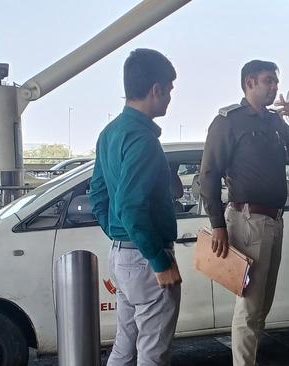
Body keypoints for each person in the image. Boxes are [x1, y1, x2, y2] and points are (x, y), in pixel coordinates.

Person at [199, 60, 289, 366]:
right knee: (249, 307)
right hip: (248, 219)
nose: (274, 86)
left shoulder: (275, 122)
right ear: (249, 82)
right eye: (268, 81)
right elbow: (208, 174)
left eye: (276, 81)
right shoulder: (229, 121)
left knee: (262, 305)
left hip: (274, 220)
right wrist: (218, 225)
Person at [89, 48, 182, 365]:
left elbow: (98, 193)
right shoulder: (143, 140)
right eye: (169, 89)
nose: (170, 97)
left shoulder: (109, 133)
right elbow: (131, 206)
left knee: (124, 347)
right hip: (145, 258)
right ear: (156, 89)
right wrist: (159, 260)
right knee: (152, 353)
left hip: (122, 254)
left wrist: (116, 231)